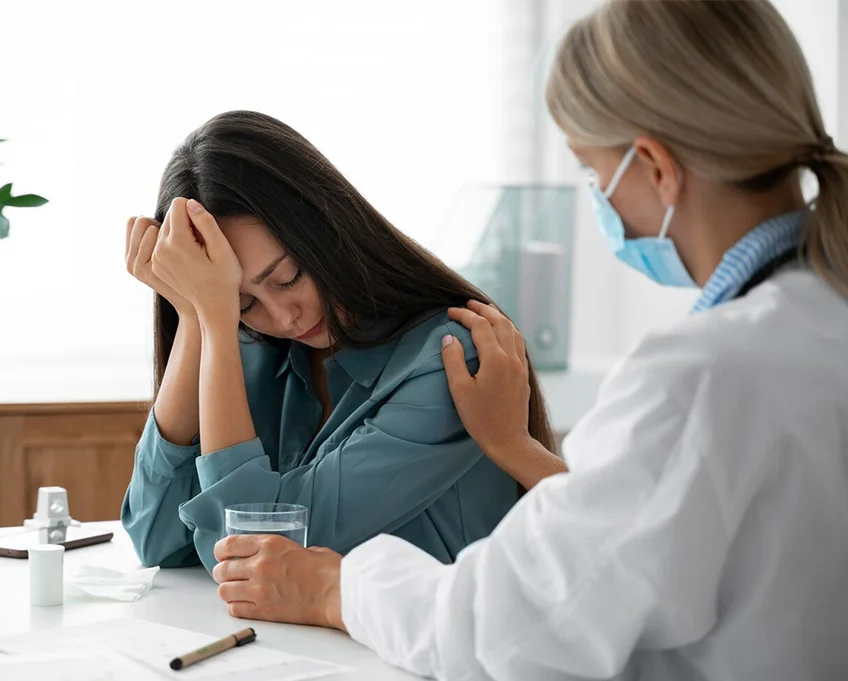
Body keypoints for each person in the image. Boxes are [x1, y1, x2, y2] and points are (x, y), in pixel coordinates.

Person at [211, 1, 848, 679]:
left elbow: (507, 629)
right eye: (244, 300)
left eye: (593, 175)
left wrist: (334, 587)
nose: (599, 201)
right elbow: (650, 532)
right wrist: (516, 448)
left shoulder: (702, 375)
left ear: (656, 167)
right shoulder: (809, 322)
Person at [120, 111, 560, 572]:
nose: (282, 317)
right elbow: (156, 540)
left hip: (423, 643)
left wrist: (215, 318)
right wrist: (195, 316)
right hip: (298, 643)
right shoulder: (252, 352)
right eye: (243, 303)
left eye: (287, 278)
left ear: (325, 230)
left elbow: (254, 555)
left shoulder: (450, 361)